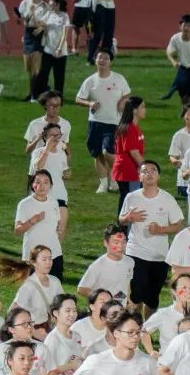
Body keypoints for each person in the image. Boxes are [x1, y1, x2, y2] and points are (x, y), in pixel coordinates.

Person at [119, 159, 184, 317]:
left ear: (158, 176)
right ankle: (132, 324)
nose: (149, 173)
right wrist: (128, 217)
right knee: (136, 294)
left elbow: (178, 225)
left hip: (159, 256)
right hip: (135, 252)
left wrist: (160, 229)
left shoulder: (167, 199)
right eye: (145, 171)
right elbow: (121, 220)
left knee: (152, 299)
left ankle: (147, 327)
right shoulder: (131, 197)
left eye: (153, 170)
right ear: (139, 177)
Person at [77, 50, 131, 194]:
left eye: (106, 58)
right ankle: (103, 184)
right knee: (97, 153)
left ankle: (117, 177)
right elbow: (78, 98)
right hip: (95, 122)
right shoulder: (90, 81)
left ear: (110, 62)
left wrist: (123, 101)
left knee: (108, 151)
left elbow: (127, 94)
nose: (102, 60)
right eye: (99, 57)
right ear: (95, 60)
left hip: (114, 122)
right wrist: (89, 103)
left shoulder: (118, 78)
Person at [13, 170, 65, 280]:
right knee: (33, 288)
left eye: (46, 182)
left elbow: (57, 223)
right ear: (32, 185)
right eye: (38, 182)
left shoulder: (54, 202)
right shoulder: (25, 204)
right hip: (34, 256)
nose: (42, 186)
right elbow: (17, 231)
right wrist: (32, 221)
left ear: (50, 185)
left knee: (56, 287)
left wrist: (59, 228)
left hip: (54, 254)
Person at [77, 224, 134, 304]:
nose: (120, 246)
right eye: (116, 242)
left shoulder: (129, 262)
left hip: (120, 309)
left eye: (123, 242)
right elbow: (82, 289)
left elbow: (126, 284)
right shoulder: (98, 266)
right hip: (102, 310)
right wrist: (104, 300)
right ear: (106, 243)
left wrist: (128, 300)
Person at [111, 97, 146, 213]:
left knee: (128, 198)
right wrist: (146, 168)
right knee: (130, 199)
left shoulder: (133, 127)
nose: (145, 110)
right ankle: (124, 223)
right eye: (142, 107)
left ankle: (123, 223)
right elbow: (134, 153)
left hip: (130, 170)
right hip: (127, 171)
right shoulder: (130, 128)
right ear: (134, 110)